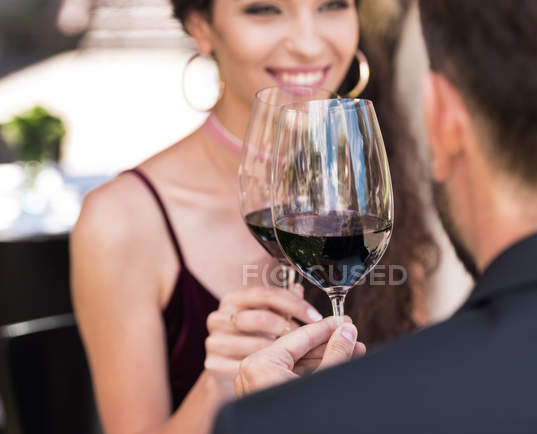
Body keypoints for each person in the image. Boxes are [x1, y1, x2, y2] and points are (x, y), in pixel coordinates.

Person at [208, 0, 537, 432]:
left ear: (440, 120)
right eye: (264, 9)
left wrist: (298, 414)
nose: (306, 43)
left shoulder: (293, 418)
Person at [70, 0, 435, 432]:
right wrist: (220, 386)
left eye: (333, 5)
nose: (307, 43)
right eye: (264, 10)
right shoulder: (120, 220)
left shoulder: (370, 181)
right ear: (201, 26)